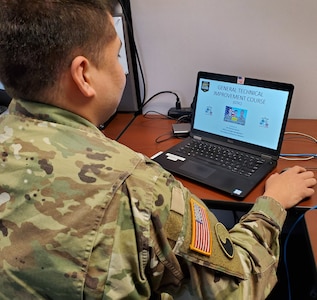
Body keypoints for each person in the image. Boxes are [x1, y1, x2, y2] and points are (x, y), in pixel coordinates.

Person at [0, 1, 315, 299]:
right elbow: (240, 285)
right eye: (117, 56)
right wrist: (273, 204)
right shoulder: (139, 187)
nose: (122, 70)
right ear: (83, 74)